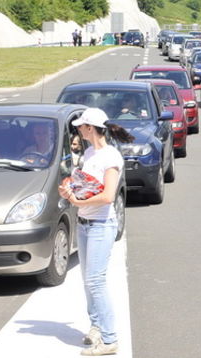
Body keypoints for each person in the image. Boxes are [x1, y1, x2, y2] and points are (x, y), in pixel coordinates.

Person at [57, 108, 134, 356]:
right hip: (84, 224)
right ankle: (96, 327)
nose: (78, 130)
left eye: (81, 126)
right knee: (88, 282)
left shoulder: (110, 157)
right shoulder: (89, 153)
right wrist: (70, 189)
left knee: (95, 281)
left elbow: (108, 196)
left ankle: (110, 339)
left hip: (101, 225)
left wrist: (78, 204)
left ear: (90, 128)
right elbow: (86, 186)